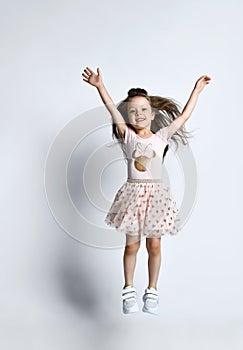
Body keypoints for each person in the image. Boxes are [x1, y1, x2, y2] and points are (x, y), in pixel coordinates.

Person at [82, 66, 211, 315]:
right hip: (133, 196)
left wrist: (196, 91)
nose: (138, 114)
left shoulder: (161, 136)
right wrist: (100, 87)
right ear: (128, 116)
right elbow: (111, 108)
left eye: (143, 110)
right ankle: (128, 289)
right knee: (132, 246)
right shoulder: (127, 135)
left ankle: (152, 291)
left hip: (156, 198)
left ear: (152, 114)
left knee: (154, 246)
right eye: (133, 111)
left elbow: (183, 117)